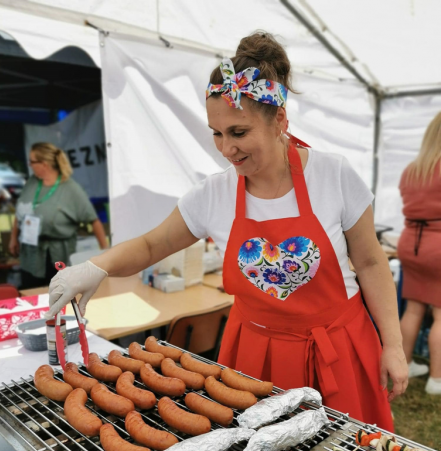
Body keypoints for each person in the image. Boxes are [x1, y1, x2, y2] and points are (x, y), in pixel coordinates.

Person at [47, 33, 407, 429]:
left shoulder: (334, 175)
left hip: (337, 346)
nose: (225, 148)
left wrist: (392, 344)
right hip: (254, 355)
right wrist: (95, 266)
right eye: (216, 133)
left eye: (238, 132)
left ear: (280, 121)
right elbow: (153, 243)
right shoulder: (213, 194)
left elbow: (372, 263)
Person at [9, 142, 108, 288]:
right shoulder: (32, 183)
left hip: (58, 253)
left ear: (44, 164)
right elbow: (21, 211)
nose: (29, 164)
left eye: (32, 161)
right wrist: (13, 238)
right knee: (31, 292)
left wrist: (105, 255)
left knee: (58, 296)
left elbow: (94, 220)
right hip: (31, 255)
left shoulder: (70, 188)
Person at [397, 112, 441, 395]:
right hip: (437, 247)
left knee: (413, 309)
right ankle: (437, 380)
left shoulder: (412, 170)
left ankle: (406, 363)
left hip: (410, 243)